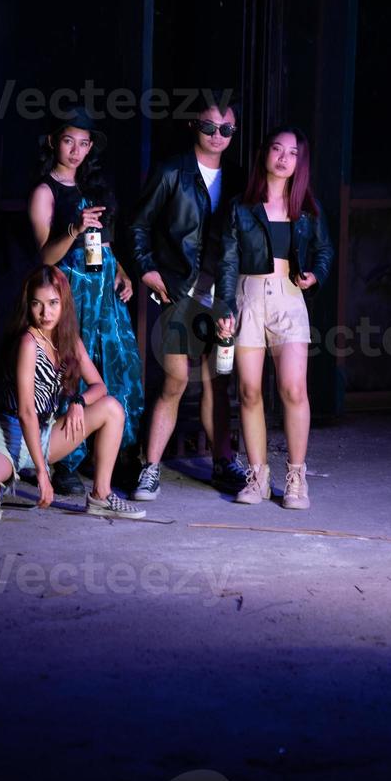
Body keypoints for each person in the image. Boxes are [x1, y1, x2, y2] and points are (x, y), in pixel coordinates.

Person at [128, 90, 247, 501]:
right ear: (194, 125)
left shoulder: (240, 178)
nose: (218, 135)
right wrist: (147, 269)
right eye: (211, 126)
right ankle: (150, 467)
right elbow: (137, 225)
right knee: (176, 380)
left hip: (225, 294)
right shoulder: (171, 172)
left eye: (226, 129)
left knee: (218, 382)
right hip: (181, 290)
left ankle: (222, 463)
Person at [0, 265, 145, 521]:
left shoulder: (68, 339)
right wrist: (43, 476)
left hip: (44, 434)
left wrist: (78, 402)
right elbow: (26, 412)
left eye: (53, 303)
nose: (46, 313)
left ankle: (101, 496)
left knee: (112, 408)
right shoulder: (28, 342)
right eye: (38, 304)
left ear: (64, 303)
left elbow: (99, 386)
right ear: (28, 305)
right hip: (7, 433)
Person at [215, 126, 334, 509]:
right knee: (248, 391)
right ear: (264, 154)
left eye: (293, 153)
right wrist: (225, 308)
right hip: (248, 297)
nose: (284, 158)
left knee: (293, 389)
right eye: (277, 150)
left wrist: (315, 273)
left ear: (300, 162)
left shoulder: (308, 209)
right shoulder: (240, 207)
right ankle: (257, 476)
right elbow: (228, 261)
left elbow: (324, 252)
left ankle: (296, 478)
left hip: (289, 298)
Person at [28, 106, 143, 495]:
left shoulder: (95, 187)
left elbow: (106, 245)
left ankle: (117, 456)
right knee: (71, 371)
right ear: (53, 142)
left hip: (103, 296)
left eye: (83, 143)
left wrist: (123, 273)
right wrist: (74, 228)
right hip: (70, 294)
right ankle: (63, 461)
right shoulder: (45, 191)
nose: (75, 150)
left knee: (118, 368)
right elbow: (45, 256)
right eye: (68, 141)